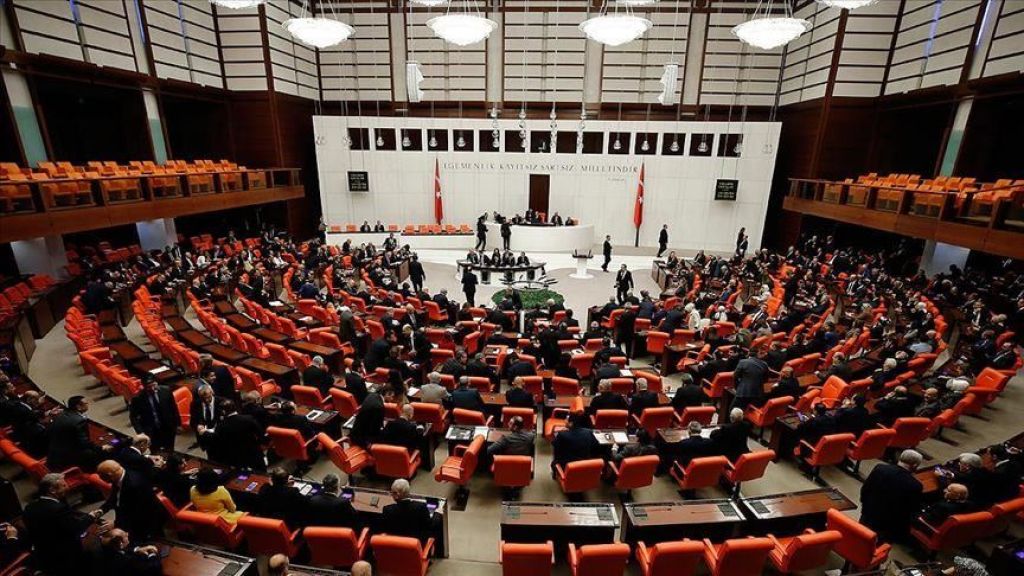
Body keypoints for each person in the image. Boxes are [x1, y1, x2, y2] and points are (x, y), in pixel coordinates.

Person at [23, 473, 98, 575]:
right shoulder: (58, 509)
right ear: (52, 490)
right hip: (66, 557)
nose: (67, 487)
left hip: (43, 555)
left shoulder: (29, 507)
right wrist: (91, 517)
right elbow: (76, 528)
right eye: (63, 485)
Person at [859, 449, 923, 543]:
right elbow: (910, 510)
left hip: (868, 513)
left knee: (859, 536)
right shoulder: (915, 485)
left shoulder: (880, 468)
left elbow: (865, 489)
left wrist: (865, 505)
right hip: (888, 525)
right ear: (915, 465)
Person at [97, 460, 167, 539]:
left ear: (109, 475)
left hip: (146, 521)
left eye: (101, 477)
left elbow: (138, 512)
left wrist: (116, 524)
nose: (101, 479)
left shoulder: (134, 485)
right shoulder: (119, 477)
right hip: (131, 518)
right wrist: (100, 511)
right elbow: (114, 498)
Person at [47, 395, 105, 472]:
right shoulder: (79, 421)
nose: (88, 404)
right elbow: (84, 443)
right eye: (86, 403)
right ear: (78, 407)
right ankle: (94, 472)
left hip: (54, 452)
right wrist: (100, 448)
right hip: (67, 456)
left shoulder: (61, 414)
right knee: (96, 453)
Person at [128, 375, 180, 452]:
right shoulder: (138, 398)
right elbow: (133, 416)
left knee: (170, 450)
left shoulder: (166, 390)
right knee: (155, 451)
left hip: (168, 427)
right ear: (144, 386)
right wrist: (140, 432)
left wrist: (178, 424)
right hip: (151, 431)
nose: (152, 389)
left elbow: (173, 407)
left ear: (156, 382)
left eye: (153, 385)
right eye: (149, 387)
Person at [210, 400, 266, 470]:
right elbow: (260, 433)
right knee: (261, 473)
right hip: (254, 453)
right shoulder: (248, 418)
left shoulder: (221, 426)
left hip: (236, 459)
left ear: (223, 412)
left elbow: (219, 443)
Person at [94, 528, 162, 576]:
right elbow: (154, 568)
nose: (127, 533)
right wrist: (152, 554)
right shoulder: (125, 562)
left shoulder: (107, 547)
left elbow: (123, 550)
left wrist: (136, 550)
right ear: (121, 544)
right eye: (125, 535)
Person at [189, 384, 221, 451]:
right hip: (205, 438)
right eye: (203, 398)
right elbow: (192, 421)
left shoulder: (221, 402)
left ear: (212, 393)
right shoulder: (195, 404)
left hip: (219, 436)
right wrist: (197, 426)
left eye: (208, 397)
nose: (206, 400)